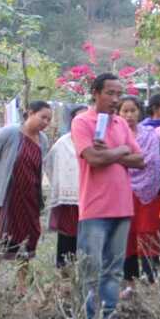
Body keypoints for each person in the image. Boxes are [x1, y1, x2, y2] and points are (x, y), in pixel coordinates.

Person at [72, 74, 145, 319]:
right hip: (94, 208)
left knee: (114, 269)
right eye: (110, 93)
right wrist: (122, 151)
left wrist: (112, 154)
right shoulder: (82, 122)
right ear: (95, 93)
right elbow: (93, 159)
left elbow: (140, 160)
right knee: (91, 269)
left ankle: (109, 317)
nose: (115, 99)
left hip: (122, 206)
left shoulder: (121, 123)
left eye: (118, 94)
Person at [0, 101, 53, 292]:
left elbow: (39, 167)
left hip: (30, 199)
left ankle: (22, 287)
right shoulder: (9, 133)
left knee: (28, 241)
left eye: (49, 119)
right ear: (30, 113)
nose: (46, 122)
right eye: (43, 117)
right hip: (5, 200)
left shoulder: (43, 140)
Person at [120, 95, 160, 294]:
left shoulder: (150, 135)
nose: (129, 115)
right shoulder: (114, 135)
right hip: (122, 192)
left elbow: (155, 162)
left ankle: (152, 281)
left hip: (149, 193)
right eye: (125, 111)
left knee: (148, 235)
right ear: (118, 113)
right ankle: (130, 283)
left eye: (133, 110)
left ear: (140, 112)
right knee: (126, 236)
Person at [45, 104, 88, 271]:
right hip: (68, 201)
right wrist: (63, 184)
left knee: (88, 237)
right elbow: (50, 165)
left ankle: (85, 273)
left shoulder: (97, 142)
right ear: (72, 121)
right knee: (67, 237)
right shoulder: (62, 143)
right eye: (79, 118)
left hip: (91, 199)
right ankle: (65, 274)